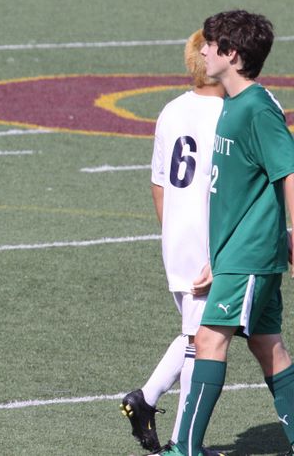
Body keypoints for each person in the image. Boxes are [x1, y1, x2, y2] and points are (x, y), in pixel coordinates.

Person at [160, 10, 294, 456]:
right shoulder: (234, 103)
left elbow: (289, 172)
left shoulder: (257, 109)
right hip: (235, 253)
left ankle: (185, 448)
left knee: (208, 339)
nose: (202, 51)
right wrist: (216, 259)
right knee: (268, 347)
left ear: (231, 55)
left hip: (249, 253)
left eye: (211, 44)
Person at [120, 30, 223, 454]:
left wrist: (173, 235)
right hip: (211, 244)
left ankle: (145, 400)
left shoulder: (171, 110)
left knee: (201, 334)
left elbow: (159, 184)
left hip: (179, 242)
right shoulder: (228, 113)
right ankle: (183, 442)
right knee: (203, 343)